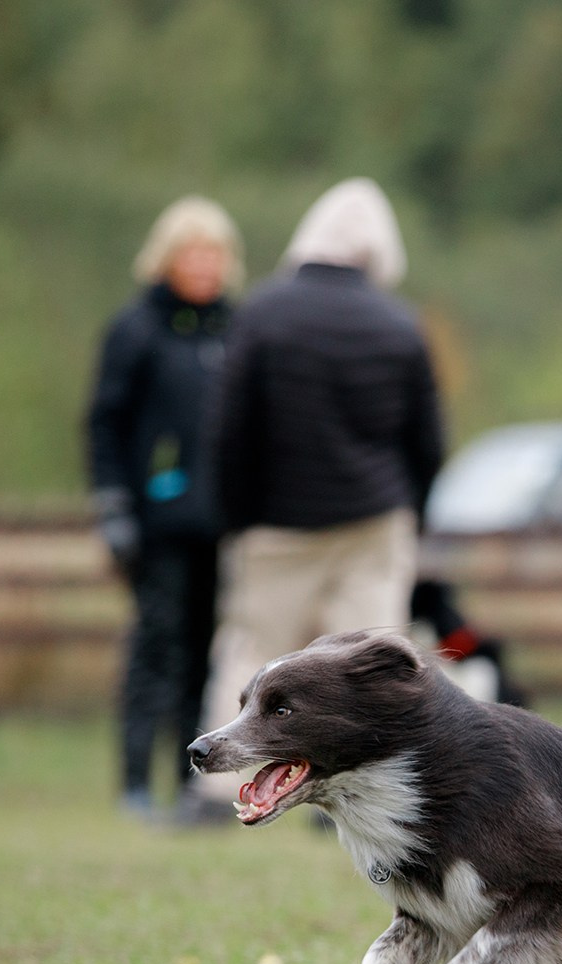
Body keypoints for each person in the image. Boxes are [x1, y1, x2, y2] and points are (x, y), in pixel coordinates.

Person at [188, 177, 447, 813]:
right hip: (374, 521)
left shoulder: (263, 314)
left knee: (255, 653)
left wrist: (236, 515)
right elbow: (428, 442)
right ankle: (374, 790)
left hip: (277, 523)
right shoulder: (399, 323)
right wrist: (408, 508)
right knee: (370, 666)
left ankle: (221, 794)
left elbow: (230, 432)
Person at [85, 195, 242, 820]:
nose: (204, 265)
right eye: (192, 253)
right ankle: (134, 782)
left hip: (221, 524)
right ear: (167, 258)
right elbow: (104, 424)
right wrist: (113, 506)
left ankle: (190, 782)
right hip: (156, 523)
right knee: (157, 645)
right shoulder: (136, 330)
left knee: (207, 652)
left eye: (215, 254)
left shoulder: (236, 329)